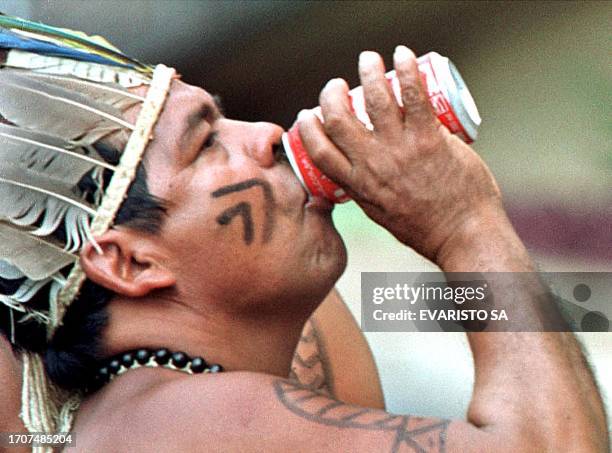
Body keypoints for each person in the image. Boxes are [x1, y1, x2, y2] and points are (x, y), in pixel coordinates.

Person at [0, 16, 607, 452]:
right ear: (129, 263)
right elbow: (554, 443)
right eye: (206, 144)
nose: (265, 132)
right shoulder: (183, 421)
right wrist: (465, 226)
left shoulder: (298, 333)